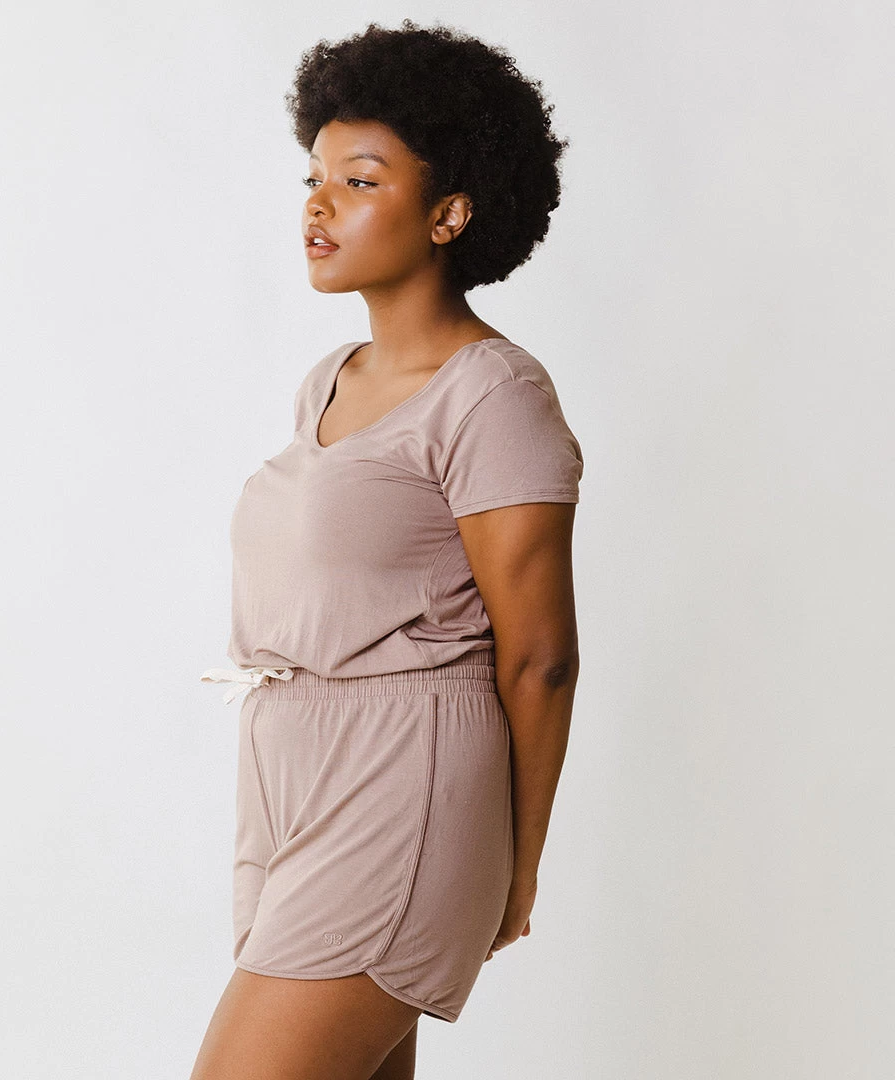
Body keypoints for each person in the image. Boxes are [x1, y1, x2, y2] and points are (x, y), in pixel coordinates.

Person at [192, 19, 583, 1080]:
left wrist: (517, 863)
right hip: (290, 774)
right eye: (315, 178)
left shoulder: (495, 397)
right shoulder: (330, 380)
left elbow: (540, 657)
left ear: (451, 211)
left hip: (402, 780)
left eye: (360, 181)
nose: (319, 205)